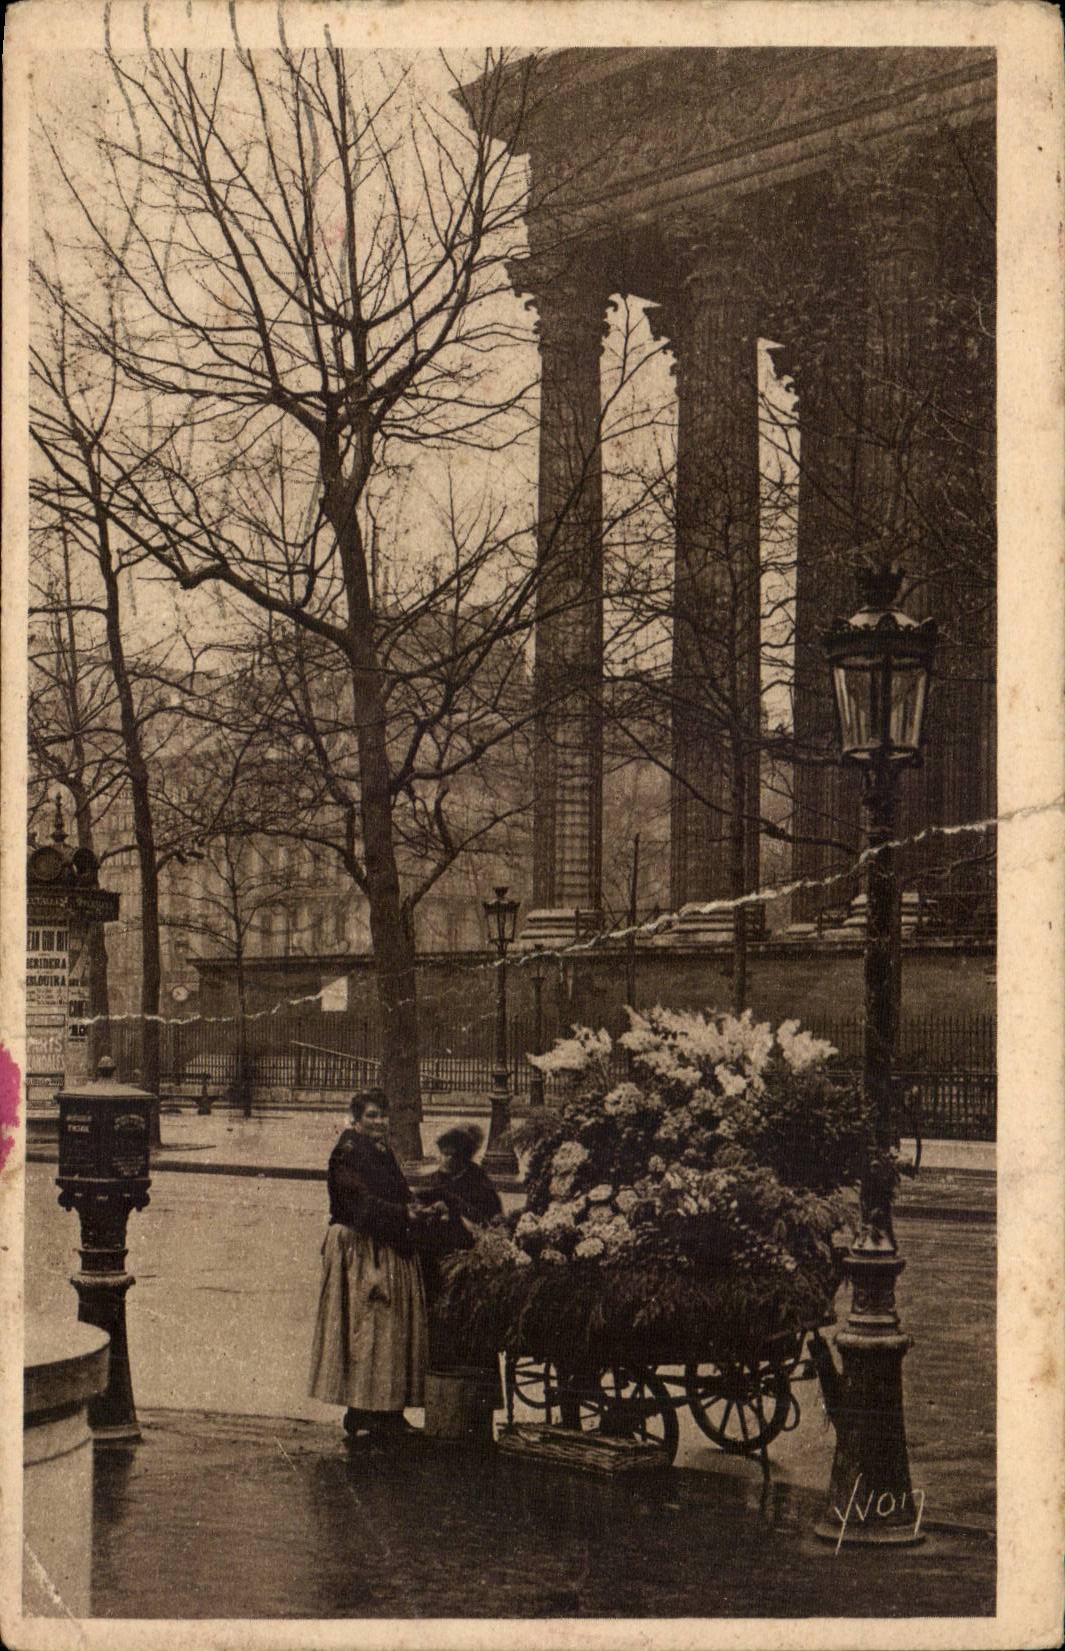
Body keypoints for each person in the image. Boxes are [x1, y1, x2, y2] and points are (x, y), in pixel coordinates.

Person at [308, 1088, 428, 1448]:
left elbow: (398, 1191)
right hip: (360, 1250)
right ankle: (366, 1411)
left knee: (384, 1335)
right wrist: (401, 1213)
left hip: (382, 1244)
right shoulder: (347, 1152)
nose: (379, 1122)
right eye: (372, 1116)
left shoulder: (380, 1150)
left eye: (383, 1115)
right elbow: (357, 1201)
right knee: (368, 1331)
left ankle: (382, 1411)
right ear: (356, 1119)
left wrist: (415, 1205)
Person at [417, 1126, 503, 1397]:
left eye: (450, 1156)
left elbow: (487, 1224)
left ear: (463, 1159)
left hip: (468, 1272)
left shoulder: (480, 1184)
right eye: (442, 1154)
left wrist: (451, 1208)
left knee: (469, 1341)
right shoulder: (434, 1181)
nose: (444, 1161)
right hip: (435, 1267)